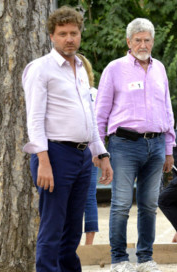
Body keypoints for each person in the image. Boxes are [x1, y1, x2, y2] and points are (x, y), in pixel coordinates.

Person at [22, 6, 113, 272]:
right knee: (52, 228)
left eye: (74, 33)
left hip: (83, 157)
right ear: (52, 36)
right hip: (54, 155)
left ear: (80, 35)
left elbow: (90, 118)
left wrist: (102, 154)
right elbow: (34, 119)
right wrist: (43, 160)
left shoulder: (81, 69)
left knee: (73, 229)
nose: (69, 38)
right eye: (63, 33)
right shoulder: (40, 69)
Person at [95, 18, 175, 272]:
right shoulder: (115, 69)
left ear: (153, 41)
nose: (143, 44)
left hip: (157, 144)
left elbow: (168, 110)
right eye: (138, 39)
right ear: (128, 42)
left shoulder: (159, 68)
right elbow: (100, 114)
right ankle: (119, 259)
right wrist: (99, 151)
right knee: (120, 204)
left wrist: (170, 149)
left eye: (147, 39)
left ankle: (145, 258)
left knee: (150, 205)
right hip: (124, 145)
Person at [77, 53, 100, 245]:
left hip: (87, 147)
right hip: (90, 146)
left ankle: (87, 242)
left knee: (86, 196)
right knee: (88, 196)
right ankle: (87, 243)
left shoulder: (92, 92)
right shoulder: (96, 92)